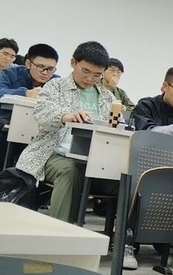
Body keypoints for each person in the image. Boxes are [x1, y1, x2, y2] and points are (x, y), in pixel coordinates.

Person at [15, 41, 116, 223]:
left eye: (97, 75)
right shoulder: (55, 87)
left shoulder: (107, 97)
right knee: (70, 171)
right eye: (85, 71)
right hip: (53, 154)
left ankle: (124, 237)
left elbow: (116, 126)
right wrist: (64, 116)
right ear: (73, 63)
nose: (90, 79)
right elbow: (42, 112)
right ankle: (61, 230)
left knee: (128, 178)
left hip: (94, 159)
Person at [0, 44, 59, 178]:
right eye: (41, 67)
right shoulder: (11, 73)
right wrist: (25, 93)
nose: (45, 72)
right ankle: (1, 180)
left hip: (38, 131)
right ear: (28, 63)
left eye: (50, 69)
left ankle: (26, 185)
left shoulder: (56, 82)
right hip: (4, 125)